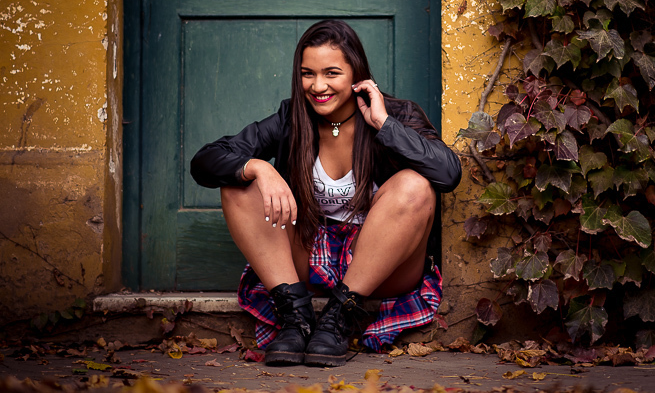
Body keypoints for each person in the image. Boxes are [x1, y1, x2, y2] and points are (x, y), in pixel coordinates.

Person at [190, 20, 462, 367]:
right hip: (309, 261)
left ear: (356, 74)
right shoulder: (292, 118)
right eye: (308, 74)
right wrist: (260, 168)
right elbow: (205, 161)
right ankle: (296, 317)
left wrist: (384, 125)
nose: (318, 86)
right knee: (237, 182)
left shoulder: (397, 115)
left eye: (332, 73)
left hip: (380, 267)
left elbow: (448, 174)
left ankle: (340, 316)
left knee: (416, 185)